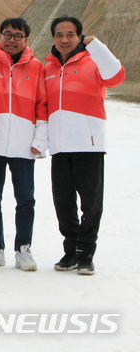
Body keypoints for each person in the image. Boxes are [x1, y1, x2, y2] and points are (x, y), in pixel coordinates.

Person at [44, 16, 124, 275]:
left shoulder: (93, 62)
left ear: (79, 36)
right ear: (53, 38)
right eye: (59, 35)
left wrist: (96, 46)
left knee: (90, 204)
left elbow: (117, 76)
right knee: (63, 203)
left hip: (88, 146)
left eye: (70, 34)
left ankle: (86, 253)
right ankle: (70, 251)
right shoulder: (48, 69)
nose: (64, 39)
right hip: (59, 148)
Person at [0, 18, 47, 272]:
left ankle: (23, 248)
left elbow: (42, 106)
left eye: (18, 35)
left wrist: (39, 138)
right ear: (0, 36)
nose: (12, 39)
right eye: (7, 34)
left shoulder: (36, 67)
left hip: (23, 145)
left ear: (26, 40)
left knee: (25, 199)